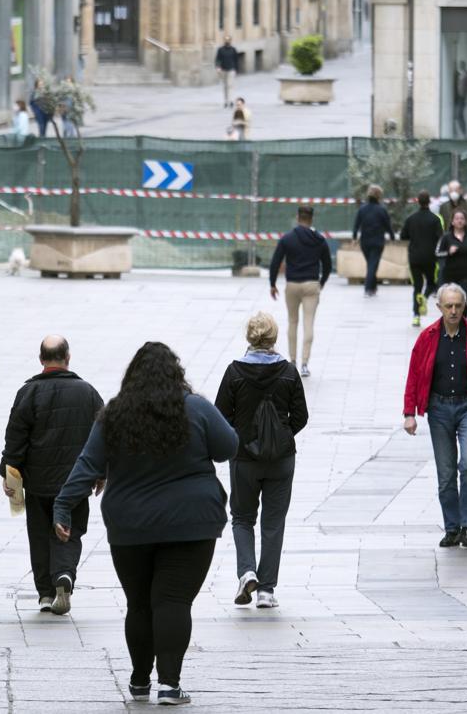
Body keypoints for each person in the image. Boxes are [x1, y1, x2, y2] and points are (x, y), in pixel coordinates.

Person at [54, 342, 238, 706]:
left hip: (130, 524)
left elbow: (87, 464)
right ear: (176, 373)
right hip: (191, 523)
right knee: (173, 601)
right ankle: (169, 685)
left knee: (139, 603)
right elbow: (228, 446)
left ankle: (139, 682)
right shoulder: (196, 408)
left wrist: (62, 506)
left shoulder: (115, 414)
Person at [0, 335, 103, 616]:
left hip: (38, 482)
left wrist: (9, 475)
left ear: (41, 359)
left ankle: (45, 592)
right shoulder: (88, 392)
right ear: (68, 357)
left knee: (40, 534)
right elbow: (104, 435)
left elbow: (15, 438)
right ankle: (64, 576)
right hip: (76, 481)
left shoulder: (28, 393)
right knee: (71, 530)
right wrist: (101, 472)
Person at [213, 312, 308, 610]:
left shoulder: (234, 372)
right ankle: (266, 590)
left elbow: (220, 415)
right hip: (281, 459)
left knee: (242, 517)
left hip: (244, 459)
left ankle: (247, 571)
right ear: (274, 338)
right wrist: (282, 436)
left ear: (249, 338)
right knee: (273, 521)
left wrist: (238, 439)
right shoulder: (289, 372)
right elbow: (301, 416)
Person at [402, 284, 467, 549]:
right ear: (439, 307)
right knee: (446, 473)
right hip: (439, 409)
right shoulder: (428, 337)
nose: (454, 310)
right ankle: (452, 527)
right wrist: (409, 413)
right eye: (449, 306)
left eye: (458, 305)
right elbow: (414, 375)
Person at [267, 205, 332, 377]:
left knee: (293, 322)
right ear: (311, 218)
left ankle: (293, 361)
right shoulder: (319, 239)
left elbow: (275, 261)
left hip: (293, 285)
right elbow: (328, 265)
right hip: (311, 284)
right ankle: (305, 363)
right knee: (309, 323)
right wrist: (321, 282)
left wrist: (272, 284)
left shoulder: (287, 238)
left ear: (297, 217)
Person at [400, 191, 444, 327]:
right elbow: (441, 238)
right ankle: (424, 298)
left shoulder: (411, 219)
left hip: (414, 257)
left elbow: (403, 236)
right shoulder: (435, 219)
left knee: (417, 286)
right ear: (429, 202)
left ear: (417, 201)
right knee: (431, 283)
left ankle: (416, 316)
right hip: (430, 257)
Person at [352, 184, 395, 298]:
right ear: (379, 196)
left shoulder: (362, 209)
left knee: (371, 264)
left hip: (365, 242)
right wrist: (392, 237)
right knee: (372, 264)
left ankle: (373, 287)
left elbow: (356, 224)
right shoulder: (382, 210)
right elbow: (388, 225)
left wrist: (354, 237)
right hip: (377, 241)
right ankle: (368, 289)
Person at [436, 208, 467, 301]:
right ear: (452, 221)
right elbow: (438, 253)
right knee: (452, 302)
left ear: (465, 221)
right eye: (457, 218)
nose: (459, 221)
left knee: (463, 301)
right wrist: (448, 252)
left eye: (462, 218)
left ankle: (463, 315)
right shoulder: (446, 237)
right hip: (450, 275)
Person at [215, 36, 241, 109]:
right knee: (225, 86)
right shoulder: (220, 50)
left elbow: (236, 60)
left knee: (230, 85)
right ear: (224, 41)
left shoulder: (233, 50)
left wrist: (236, 70)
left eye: (228, 40)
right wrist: (218, 67)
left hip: (231, 69)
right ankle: (226, 101)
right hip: (223, 69)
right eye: (226, 40)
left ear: (230, 41)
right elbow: (217, 59)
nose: (227, 41)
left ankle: (231, 101)